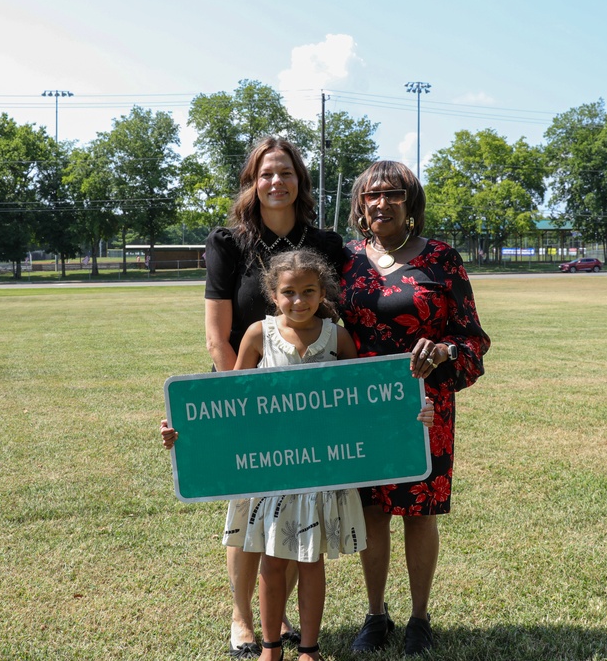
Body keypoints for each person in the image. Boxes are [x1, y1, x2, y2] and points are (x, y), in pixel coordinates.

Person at [164, 250, 435, 661]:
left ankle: (309, 648)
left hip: (320, 477)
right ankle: (270, 647)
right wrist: (186, 434)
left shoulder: (337, 337)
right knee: (271, 564)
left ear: (322, 292)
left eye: (309, 291)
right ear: (273, 295)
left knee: (311, 563)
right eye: (288, 292)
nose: (299, 300)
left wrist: (412, 414)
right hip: (272, 477)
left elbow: (364, 400)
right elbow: (231, 402)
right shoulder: (258, 334)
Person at [339, 160, 490, 656]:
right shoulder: (346, 260)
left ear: (411, 204)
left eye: (394, 194)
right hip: (362, 405)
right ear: (360, 205)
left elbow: (473, 337)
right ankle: (375, 615)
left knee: (420, 513)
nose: (381, 203)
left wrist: (446, 351)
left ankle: (420, 619)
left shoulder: (442, 259)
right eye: (371, 195)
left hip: (425, 406)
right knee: (373, 511)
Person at [202, 137, 345, 658]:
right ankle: (243, 618)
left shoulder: (326, 245)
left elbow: (339, 328)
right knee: (251, 512)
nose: (275, 182)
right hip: (246, 389)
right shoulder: (227, 243)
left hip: (309, 410)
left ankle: (280, 619)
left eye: (285, 172)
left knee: (293, 515)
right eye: (265, 174)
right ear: (252, 182)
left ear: (299, 182)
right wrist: (242, 404)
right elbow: (218, 334)